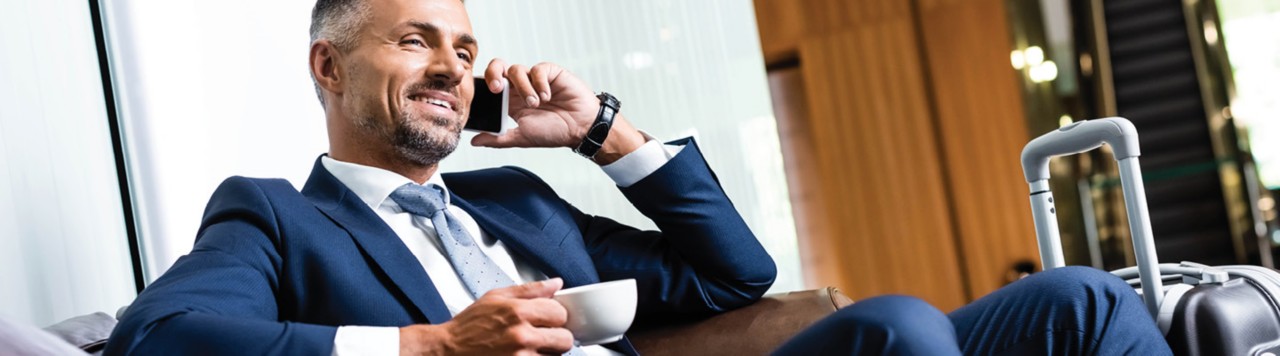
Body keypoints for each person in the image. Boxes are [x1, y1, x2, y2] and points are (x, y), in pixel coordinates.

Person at [105, 0, 1172, 355]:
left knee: (1075, 301)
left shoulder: (512, 201)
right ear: (328, 66)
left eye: (466, 49)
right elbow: (163, 338)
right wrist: (431, 342)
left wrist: (605, 133)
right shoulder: (278, 217)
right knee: (895, 327)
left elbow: (730, 274)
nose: (450, 67)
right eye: (413, 41)